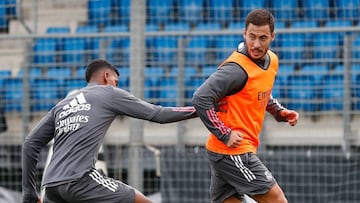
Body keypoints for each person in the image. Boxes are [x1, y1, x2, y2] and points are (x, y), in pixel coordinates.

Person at [22, 59, 198, 203]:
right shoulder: (109, 93)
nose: (116, 86)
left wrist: (29, 192)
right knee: (140, 200)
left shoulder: (61, 105)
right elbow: (158, 114)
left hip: (51, 187)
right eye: (116, 81)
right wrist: (199, 110)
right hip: (80, 180)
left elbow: (30, 144)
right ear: (106, 76)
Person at [192, 9, 299, 203]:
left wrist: (278, 111)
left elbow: (259, 91)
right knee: (278, 201)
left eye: (263, 38)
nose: (256, 44)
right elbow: (201, 98)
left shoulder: (272, 60)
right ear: (244, 34)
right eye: (252, 37)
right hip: (233, 151)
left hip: (226, 150)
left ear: (273, 37)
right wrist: (225, 133)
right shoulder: (235, 69)